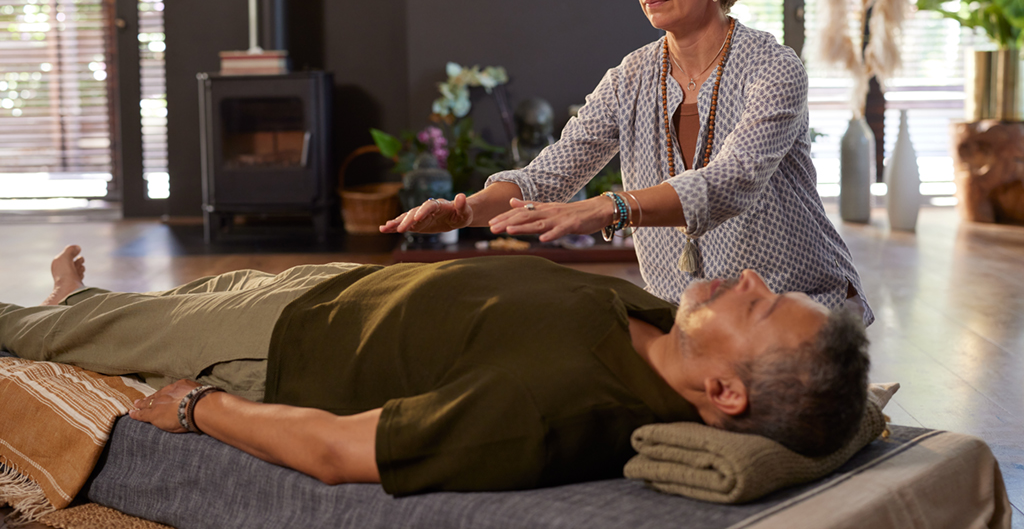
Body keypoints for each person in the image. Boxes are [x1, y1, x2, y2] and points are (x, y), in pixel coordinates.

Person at [379, 0, 872, 325]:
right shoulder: (630, 79)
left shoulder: (773, 67)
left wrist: (611, 206)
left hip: (799, 304)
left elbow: (733, 181)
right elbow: (547, 175)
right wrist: (465, 212)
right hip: (692, 319)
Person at [0, 245, 868, 496]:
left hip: (279, 343)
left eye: (757, 305)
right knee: (128, 312)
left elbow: (342, 451)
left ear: (724, 394)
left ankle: (55, 316)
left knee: (53, 336)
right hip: (338, 288)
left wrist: (198, 408)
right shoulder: (656, 328)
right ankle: (78, 304)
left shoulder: (549, 410)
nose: (751, 277)